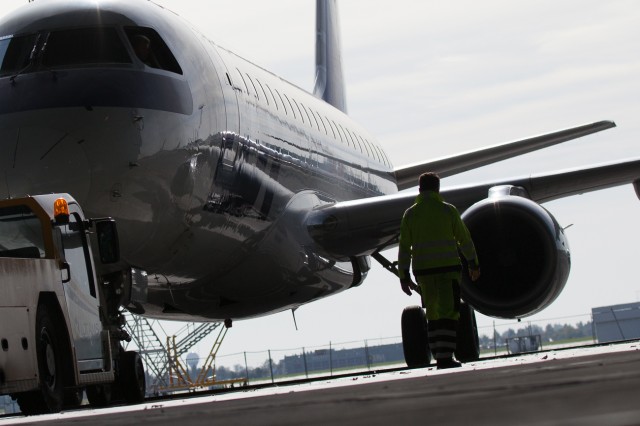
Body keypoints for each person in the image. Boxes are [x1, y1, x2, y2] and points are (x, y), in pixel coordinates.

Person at [398, 172, 480, 369]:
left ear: (419, 190)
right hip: (448, 271)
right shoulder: (448, 211)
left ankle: (439, 355)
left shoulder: (410, 214)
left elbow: (404, 248)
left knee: (433, 314)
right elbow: (464, 240)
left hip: (424, 274)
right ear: (437, 189)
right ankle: (445, 357)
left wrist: (404, 275)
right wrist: (473, 263)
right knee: (449, 313)